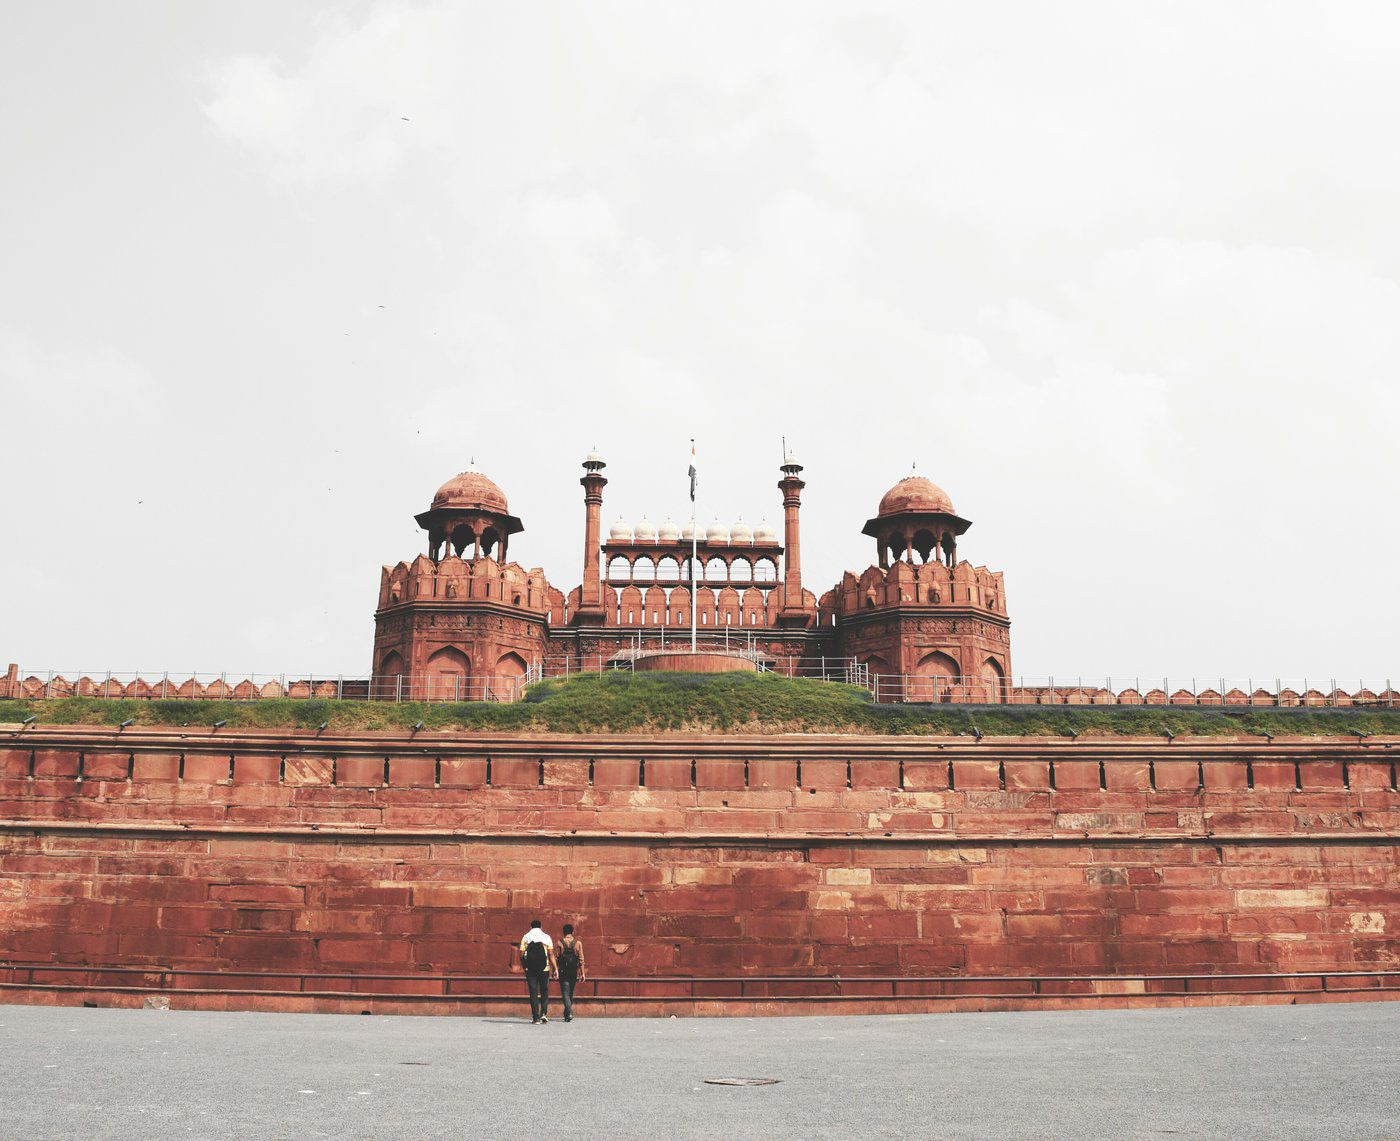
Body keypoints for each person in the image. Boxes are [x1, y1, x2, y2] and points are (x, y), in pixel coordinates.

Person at [519, 919, 556, 1024]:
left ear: (531, 927)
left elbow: (521, 954)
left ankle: (536, 1018)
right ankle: (543, 1014)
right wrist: (556, 968)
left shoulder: (526, 937)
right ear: (541, 927)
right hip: (545, 968)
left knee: (533, 993)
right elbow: (551, 953)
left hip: (530, 969)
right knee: (544, 991)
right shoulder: (546, 937)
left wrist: (525, 967)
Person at [556, 923, 586, 1022]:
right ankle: (568, 1013)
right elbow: (581, 959)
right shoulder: (578, 943)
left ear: (563, 932)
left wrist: (554, 970)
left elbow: (556, 958)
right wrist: (582, 973)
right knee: (571, 992)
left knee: (565, 992)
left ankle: (568, 1012)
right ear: (573, 932)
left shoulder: (559, 943)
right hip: (573, 971)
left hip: (563, 971)